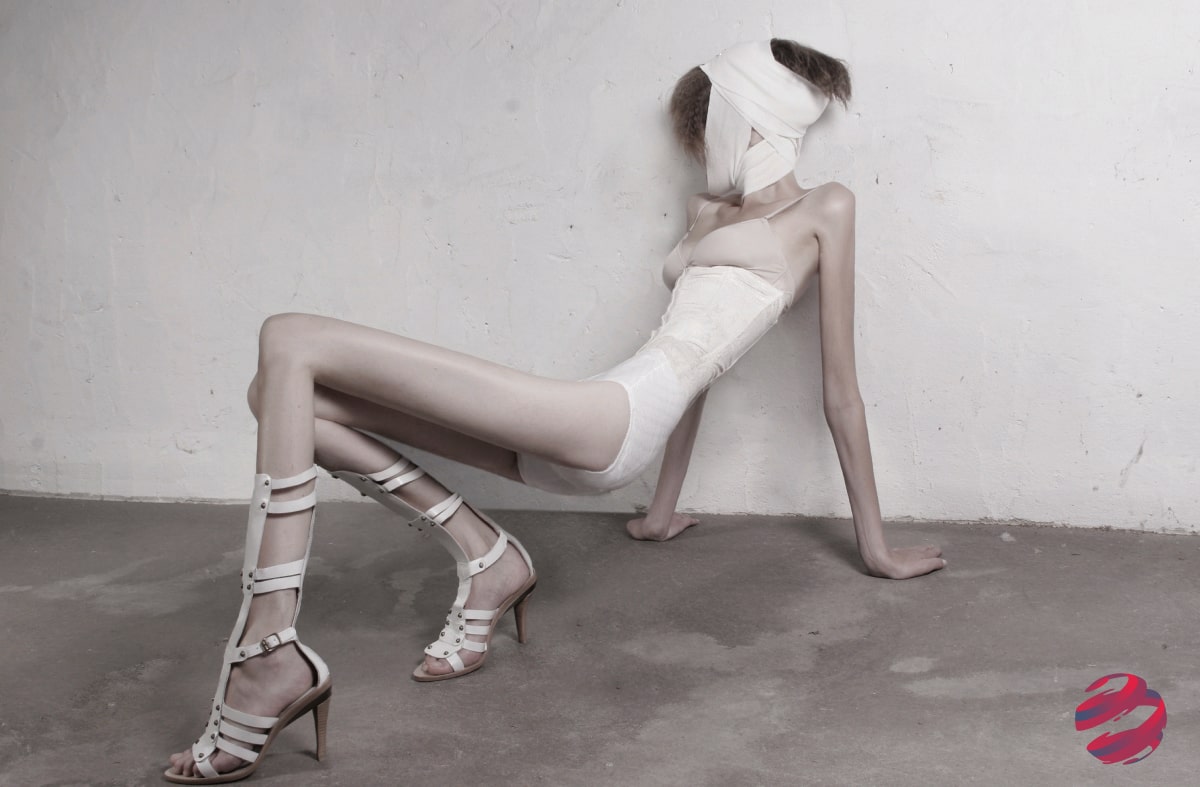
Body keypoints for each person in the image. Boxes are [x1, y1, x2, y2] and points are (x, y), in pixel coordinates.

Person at [165, 38, 945, 783]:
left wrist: (875, 547)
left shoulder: (825, 208)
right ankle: (487, 556)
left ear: (750, 115)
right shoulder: (709, 211)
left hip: (610, 420)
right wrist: (660, 510)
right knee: (279, 396)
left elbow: (837, 390)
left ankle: (268, 653)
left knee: (289, 337)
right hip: (603, 422)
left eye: (709, 116)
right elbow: (695, 356)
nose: (699, 137)